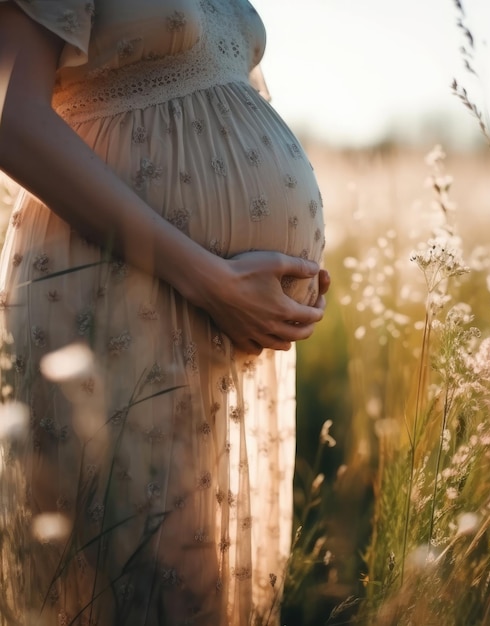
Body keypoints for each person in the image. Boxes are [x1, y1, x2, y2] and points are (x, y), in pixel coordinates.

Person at [0, 1, 329, 624]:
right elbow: (11, 120)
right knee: (166, 594)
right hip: (116, 288)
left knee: (199, 592)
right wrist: (212, 279)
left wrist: (293, 275)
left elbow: (229, 99)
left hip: (204, 305)